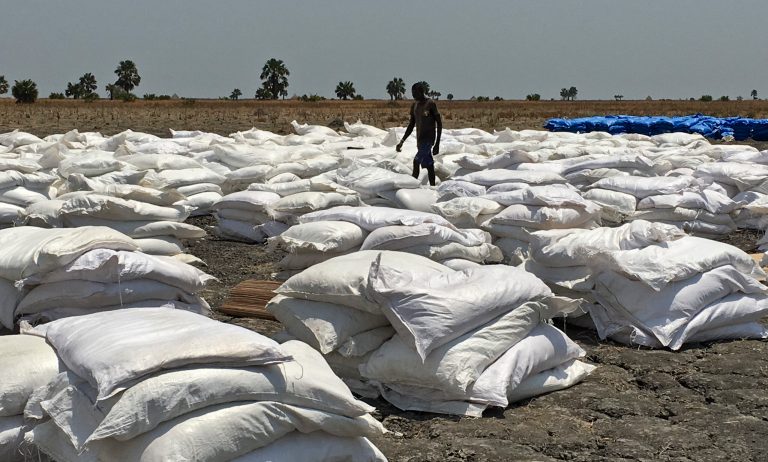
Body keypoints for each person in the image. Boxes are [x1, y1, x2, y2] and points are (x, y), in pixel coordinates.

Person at [396, 82, 442, 186]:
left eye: (415, 93)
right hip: (420, 141)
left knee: (416, 162)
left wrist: (437, 143)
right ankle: (433, 188)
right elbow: (411, 125)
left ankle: (411, 186)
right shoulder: (414, 106)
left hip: (428, 140)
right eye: (412, 93)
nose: (413, 95)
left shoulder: (430, 104)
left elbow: (439, 123)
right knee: (429, 165)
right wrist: (402, 141)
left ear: (421, 92)